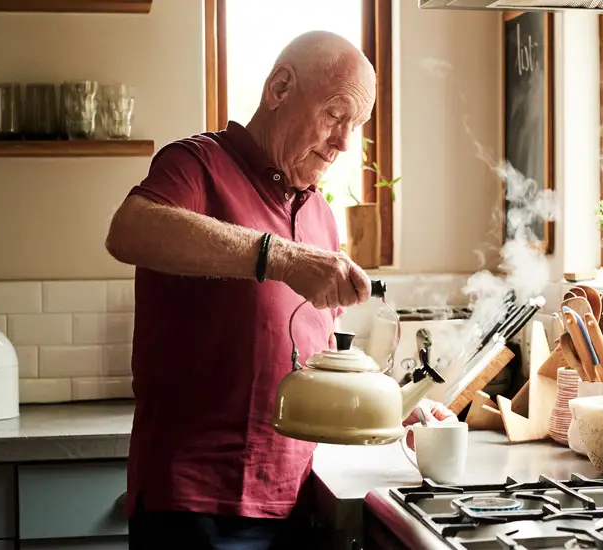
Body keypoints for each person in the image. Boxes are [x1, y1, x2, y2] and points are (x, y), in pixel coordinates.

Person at [104, 31, 455, 550]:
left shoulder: (320, 215)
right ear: (280, 86)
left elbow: (308, 364)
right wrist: (281, 257)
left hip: (295, 500)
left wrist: (394, 411)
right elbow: (129, 230)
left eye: (354, 127)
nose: (343, 143)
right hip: (193, 504)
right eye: (336, 116)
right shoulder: (197, 165)